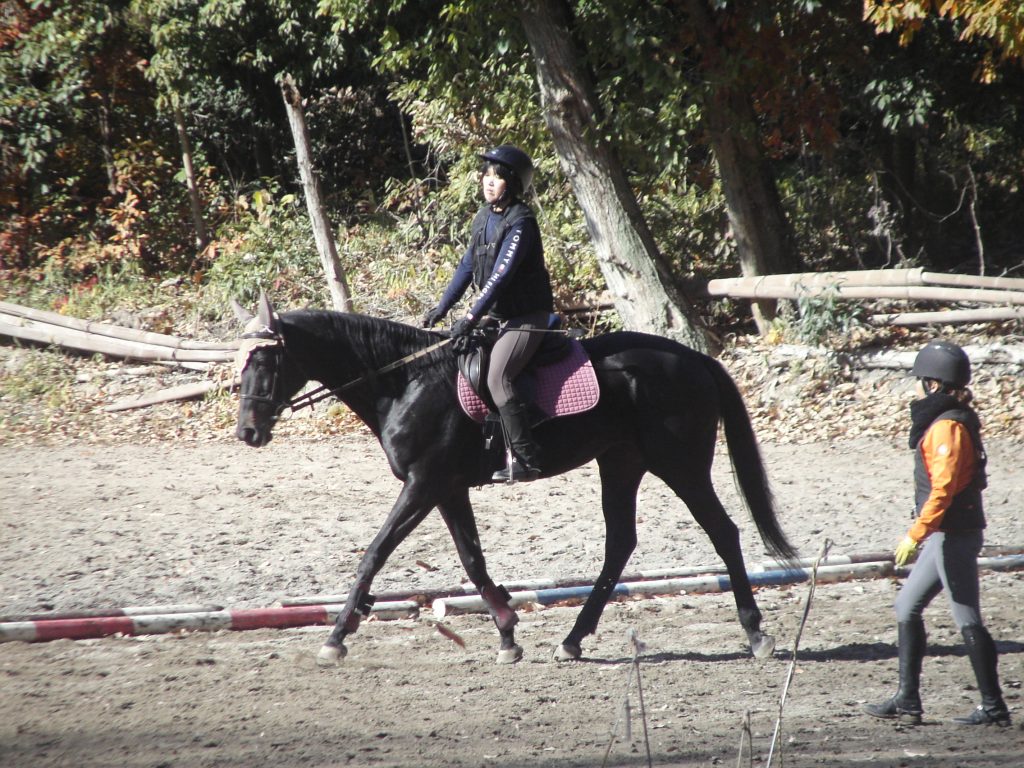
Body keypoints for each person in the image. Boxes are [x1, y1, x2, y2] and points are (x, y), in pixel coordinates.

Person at [863, 340, 1010, 727]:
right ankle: (907, 700)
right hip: (944, 533)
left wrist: (914, 534)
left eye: (919, 380)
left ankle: (994, 706)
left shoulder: (947, 427)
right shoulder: (945, 420)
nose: (915, 388)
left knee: (967, 617)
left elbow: (943, 490)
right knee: (906, 605)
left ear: (932, 383)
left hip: (954, 534)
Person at [422, 144, 554, 483]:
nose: (489, 181)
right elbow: (468, 265)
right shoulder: (483, 218)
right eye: (486, 175)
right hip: (497, 316)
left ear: (512, 183)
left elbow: (499, 277)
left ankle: (526, 458)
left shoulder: (521, 222)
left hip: (527, 316)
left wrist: (469, 318)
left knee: (498, 377)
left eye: (497, 177)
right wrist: (443, 306)